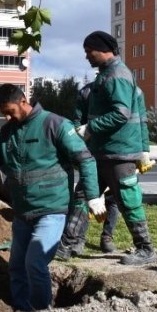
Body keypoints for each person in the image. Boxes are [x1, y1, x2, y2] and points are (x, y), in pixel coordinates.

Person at [0, 84, 102, 311]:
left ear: (23, 101)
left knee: (35, 262)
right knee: (16, 267)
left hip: (51, 210)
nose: (6, 116)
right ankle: (22, 311)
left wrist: (92, 197)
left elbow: (85, 160)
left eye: (9, 110)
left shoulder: (55, 125)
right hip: (22, 212)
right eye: (2, 112)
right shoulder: (8, 131)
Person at [79, 31, 156, 265]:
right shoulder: (108, 75)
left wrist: (89, 129)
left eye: (88, 51)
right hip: (104, 151)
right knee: (82, 195)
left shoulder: (117, 76)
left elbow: (121, 114)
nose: (86, 57)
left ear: (102, 50)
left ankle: (146, 248)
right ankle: (69, 243)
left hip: (119, 152)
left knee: (126, 199)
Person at [55, 81, 121, 259]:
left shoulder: (121, 89)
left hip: (116, 152)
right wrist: (80, 144)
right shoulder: (86, 92)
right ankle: (77, 238)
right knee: (84, 196)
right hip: (92, 152)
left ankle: (107, 236)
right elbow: (77, 120)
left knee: (113, 198)